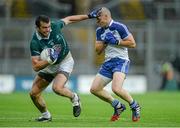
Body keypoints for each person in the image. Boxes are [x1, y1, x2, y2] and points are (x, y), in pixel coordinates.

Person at [29, 11, 99, 122]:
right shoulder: (35, 42)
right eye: (44, 28)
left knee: (57, 88)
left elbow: (70, 19)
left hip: (65, 61)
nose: (48, 30)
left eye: (48, 27)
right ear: (37, 27)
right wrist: (49, 60)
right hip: (49, 65)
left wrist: (89, 16)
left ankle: (74, 97)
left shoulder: (55, 26)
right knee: (33, 93)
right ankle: (46, 115)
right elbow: (36, 66)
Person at [90, 7, 141, 122]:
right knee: (94, 89)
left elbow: (132, 44)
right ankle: (118, 106)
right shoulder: (99, 30)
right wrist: (105, 42)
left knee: (116, 89)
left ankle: (135, 105)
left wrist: (117, 41)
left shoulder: (119, 27)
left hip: (121, 60)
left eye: (99, 19)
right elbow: (97, 51)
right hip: (108, 62)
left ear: (106, 16)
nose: (97, 21)